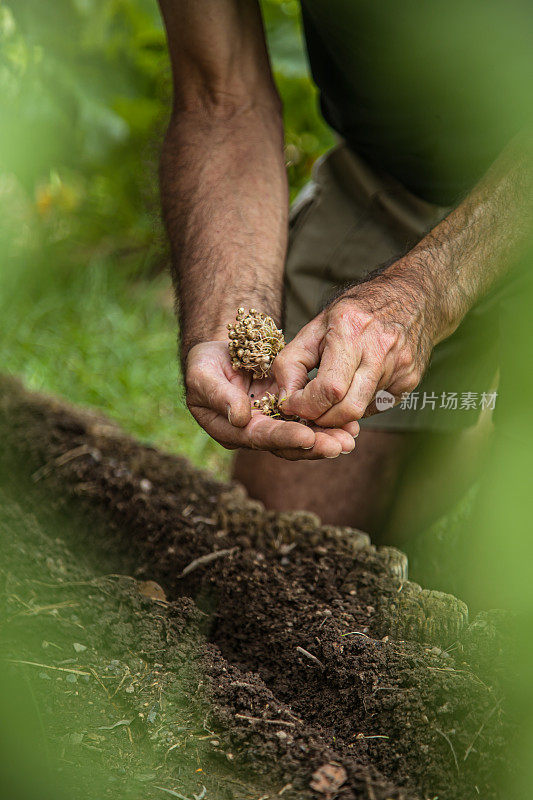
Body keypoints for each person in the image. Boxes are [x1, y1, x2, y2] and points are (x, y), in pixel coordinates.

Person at [156, 0, 532, 541]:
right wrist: (233, 317)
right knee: (286, 541)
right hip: (398, 179)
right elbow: (221, 98)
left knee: (509, 566)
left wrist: (426, 292)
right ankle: (464, 404)